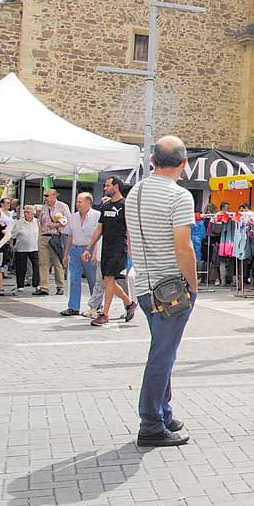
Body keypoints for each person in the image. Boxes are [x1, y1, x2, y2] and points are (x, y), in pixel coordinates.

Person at [126, 135, 199, 448]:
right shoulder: (179, 196)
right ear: (184, 164)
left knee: (161, 349)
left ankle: (164, 412)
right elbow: (183, 248)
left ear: (152, 161)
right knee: (162, 356)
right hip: (169, 288)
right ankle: (151, 422)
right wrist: (193, 286)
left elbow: (131, 239)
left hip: (143, 283)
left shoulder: (135, 193)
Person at [86, 177, 138, 326]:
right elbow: (99, 229)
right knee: (107, 281)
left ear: (116, 187)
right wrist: (89, 248)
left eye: (107, 185)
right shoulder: (106, 206)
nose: (105, 188)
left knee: (109, 279)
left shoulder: (126, 205)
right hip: (106, 249)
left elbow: (130, 230)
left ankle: (105, 314)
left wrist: (131, 252)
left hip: (118, 248)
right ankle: (129, 303)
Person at [62, 193, 100, 317]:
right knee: (74, 279)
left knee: (93, 279)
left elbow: (99, 236)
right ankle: (73, 307)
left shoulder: (97, 216)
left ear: (88, 203)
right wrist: (66, 254)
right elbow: (70, 236)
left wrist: (95, 253)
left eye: (80, 202)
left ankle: (97, 306)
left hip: (89, 249)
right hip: (75, 249)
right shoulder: (73, 217)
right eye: (77, 202)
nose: (77, 204)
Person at [36, 189, 71, 296]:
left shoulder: (62, 206)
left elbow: (68, 221)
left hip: (56, 237)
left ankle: (60, 286)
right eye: (44, 195)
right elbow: (41, 222)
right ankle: (44, 287)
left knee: (57, 262)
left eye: (47, 195)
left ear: (54, 196)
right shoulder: (44, 207)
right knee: (43, 263)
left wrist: (56, 225)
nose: (45, 197)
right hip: (44, 236)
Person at [13, 205, 41, 293]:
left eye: (28, 212)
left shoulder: (37, 222)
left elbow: (40, 233)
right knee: (21, 267)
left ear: (33, 213)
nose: (26, 214)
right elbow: (13, 234)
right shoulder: (19, 222)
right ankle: (20, 285)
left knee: (36, 266)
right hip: (21, 247)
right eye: (25, 212)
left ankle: (36, 284)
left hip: (35, 247)